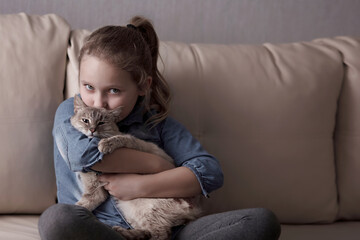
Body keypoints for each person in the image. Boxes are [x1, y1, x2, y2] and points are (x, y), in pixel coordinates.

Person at [38, 16, 281, 240]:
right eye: (88, 86)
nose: (98, 102)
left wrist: (139, 186)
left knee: (261, 221)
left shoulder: (158, 124)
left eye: (113, 90)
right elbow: (84, 155)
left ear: (143, 86)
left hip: (168, 229)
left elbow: (209, 172)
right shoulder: (72, 111)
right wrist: (158, 165)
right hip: (97, 229)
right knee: (57, 219)